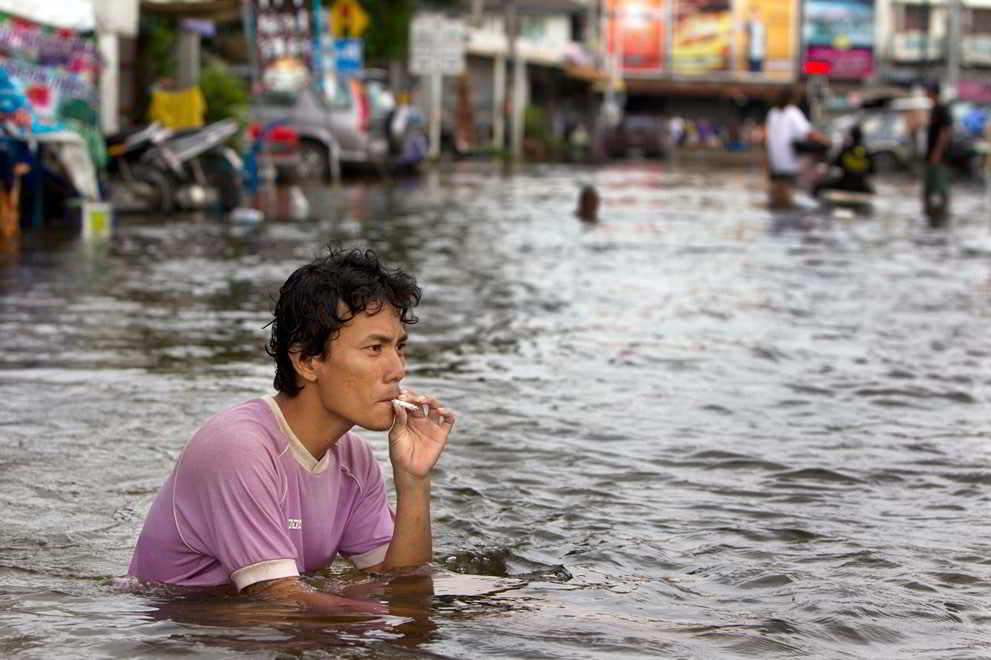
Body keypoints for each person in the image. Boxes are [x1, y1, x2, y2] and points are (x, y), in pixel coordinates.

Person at [128, 247, 456, 612]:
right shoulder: (238, 447)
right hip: (187, 631)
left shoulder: (354, 459)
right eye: (375, 348)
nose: (397, 369)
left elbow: (401, 584)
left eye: (399, 347)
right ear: (307, 361)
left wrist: (414, 479)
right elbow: (279, 602)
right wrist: (408, 618)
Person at [764, 87, 831, 209]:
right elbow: (808, 133)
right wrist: (828, 142)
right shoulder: (792, 112)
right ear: (793, 99)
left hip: (775, 163)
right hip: (789, 163)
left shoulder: (772, 113)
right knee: (786, 196)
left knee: (777, 196)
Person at [813, 125, 874, 197]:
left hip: (845, 183)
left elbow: (833, 165)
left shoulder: (846, 150)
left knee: (819, 188)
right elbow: (872, 170)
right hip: (861, 185)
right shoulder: (867, 152)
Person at [923, 81, 953, 228]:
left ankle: (943, 213)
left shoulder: (942, 108)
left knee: (940, 186)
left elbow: (945, 132)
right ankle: (930, 212)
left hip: (939, 156)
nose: (925, 94)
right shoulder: (934, 108)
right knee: (929, 186)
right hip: (932, 155)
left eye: (927, 91)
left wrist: (937, 152)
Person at [745, 6, 766, 73]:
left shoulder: (762, 25)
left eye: (758, 13)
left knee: (759, 71)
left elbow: (764, 39)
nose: (756, 15)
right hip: (751, 52)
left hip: (760, 52)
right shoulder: (749, 25)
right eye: (754, 13)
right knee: (751, 71)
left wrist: (765, 49)